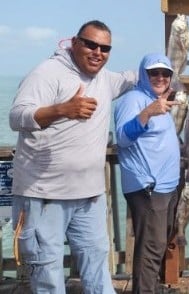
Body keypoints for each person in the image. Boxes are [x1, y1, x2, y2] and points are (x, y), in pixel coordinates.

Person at [9, 20, 137, 293]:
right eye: (90, 44)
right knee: (47, 274)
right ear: (74, 42)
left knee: (98, 271)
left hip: (89, 197)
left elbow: (134, 77)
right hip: (45, 196)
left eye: (105, 48)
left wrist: (167, 75)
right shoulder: (47, 73)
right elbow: (17, 117)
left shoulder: (105, 79)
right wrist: (62, 109)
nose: (97, 52)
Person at [114, 53, 180, 293]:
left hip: (166, 186)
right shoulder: (133, 99)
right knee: (151, 248)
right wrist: (148, 112)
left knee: (159, 242)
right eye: (154, 72)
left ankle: (151, 287)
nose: (160, 77)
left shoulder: (158, 99)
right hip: (148, 186)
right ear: (143, 74)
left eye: (165, 73)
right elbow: (122, 138)